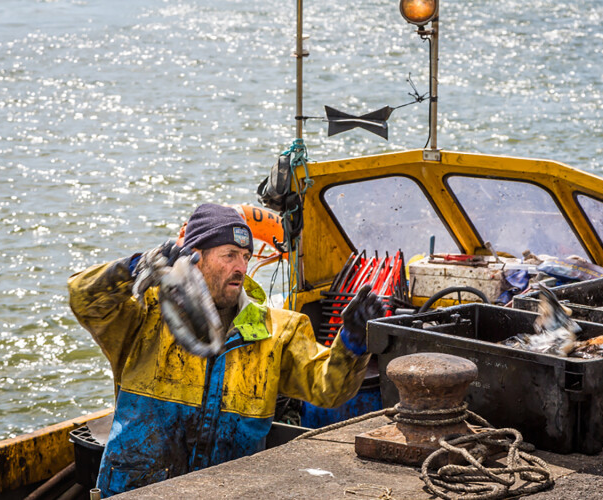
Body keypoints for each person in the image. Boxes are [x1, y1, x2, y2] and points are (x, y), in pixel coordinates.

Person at [68, 203, 385, 497]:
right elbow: (83, 297)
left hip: (229, 492)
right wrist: (133, 267)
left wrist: (353, 342)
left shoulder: (276, 331)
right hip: (137, 491)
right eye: (229, 254)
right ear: (194, 256)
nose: (241, 266)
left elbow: (328, 388)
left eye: (246, 256)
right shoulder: (145, 315)